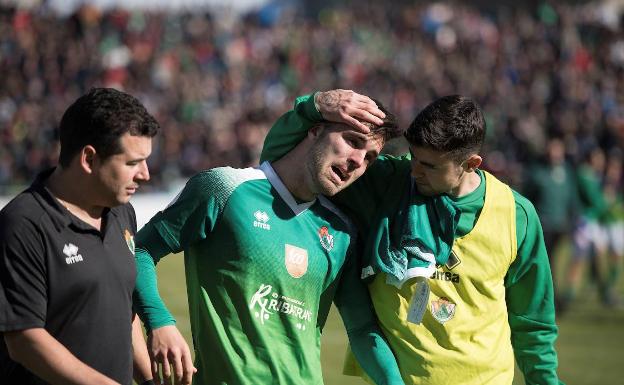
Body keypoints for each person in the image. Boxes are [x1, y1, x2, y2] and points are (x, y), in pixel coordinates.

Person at [260, 89, 563, 384]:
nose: (415, 171)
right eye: (414, 157)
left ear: (470, 164)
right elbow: (285, 161)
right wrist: (312, 107)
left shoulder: (516, 215)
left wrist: (545, 380)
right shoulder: (388, 182)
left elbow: (532, 321)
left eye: (429, 165)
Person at [132, 96, 434, 384]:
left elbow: (361, 327)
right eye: (352, 141)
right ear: (314, 131)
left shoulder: (341, 232)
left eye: (370, 157)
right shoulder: (224, 189)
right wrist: (160, 322)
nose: (358, 161)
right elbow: (139, 250)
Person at [0, 88, 158, 385]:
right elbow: (23, 340)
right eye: (132, 163)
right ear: (89, 159)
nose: (145, 174)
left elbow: (124, 313)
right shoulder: (23, 224)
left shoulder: (123, 214)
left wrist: (150, 380)